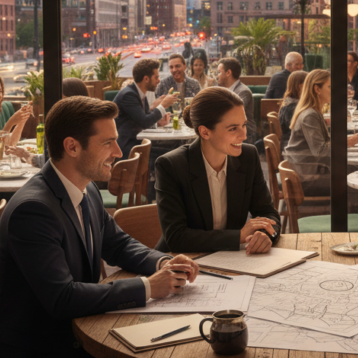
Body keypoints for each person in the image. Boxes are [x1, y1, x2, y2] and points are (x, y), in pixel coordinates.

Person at [0, 96, 196, 358]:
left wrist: (163, 262)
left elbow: (117, 244)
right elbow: (62, 298)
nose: (118, 152)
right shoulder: (33, 210)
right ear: (72, 147)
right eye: (108, 143)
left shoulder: (85, 188)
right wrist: (147, 287)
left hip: (72, 341)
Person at [154, 87, 281, 253]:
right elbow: (176, 237)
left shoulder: (248, 156)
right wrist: (238, 236)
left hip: (230, 261)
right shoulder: (171, 166)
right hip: (179, 263)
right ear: (205, 132)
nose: (243, 136)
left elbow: (268, 213)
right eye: (233, 128)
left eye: (243, 125)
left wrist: (264, 234)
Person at [285, 70, 358, 196]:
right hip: (309, 177)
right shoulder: (310, 115)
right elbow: (320, 151)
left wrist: (347, 139)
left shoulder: (313, 111)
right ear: (317, 89)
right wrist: (347, 142)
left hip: (307, 170)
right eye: (330, 87)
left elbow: (324, 143)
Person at [112, 58, 178, 160]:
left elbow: (144, 119)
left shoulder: (140, 94)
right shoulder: (128, 95)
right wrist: (163, 105)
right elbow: (145, 122)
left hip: (137, 143)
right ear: (146, 79)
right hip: (126, 149)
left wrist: (158, 122)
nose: (159, 80)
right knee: (170, 156)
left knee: (174, 150)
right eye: (156, 77)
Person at [216, 57, 257, 144]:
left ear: (228, 73)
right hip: (230, 130)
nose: (217, 76)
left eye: (219, 72)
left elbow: (232, 112)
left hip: (245, 134)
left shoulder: (243, 91)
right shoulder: (223, 90)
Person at [277, 70, 307, 148]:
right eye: (309, 85)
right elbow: (302, 132)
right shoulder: (293, 108)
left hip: (292, 144)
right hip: (293, 148)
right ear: (301, 87)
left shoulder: (289, 102)